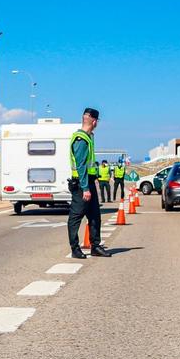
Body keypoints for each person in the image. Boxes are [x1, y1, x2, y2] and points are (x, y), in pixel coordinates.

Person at [67, 108, 109, 258]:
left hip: (88, 182)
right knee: (76, 216)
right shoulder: (81, 139)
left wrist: (94, 179)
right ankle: (75, 249)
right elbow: (81, 165)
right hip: (80, 185)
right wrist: (85, 188)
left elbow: (89, 165)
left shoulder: (88, 137)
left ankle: (95, 246)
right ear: (95, 121)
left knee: (94, 216)